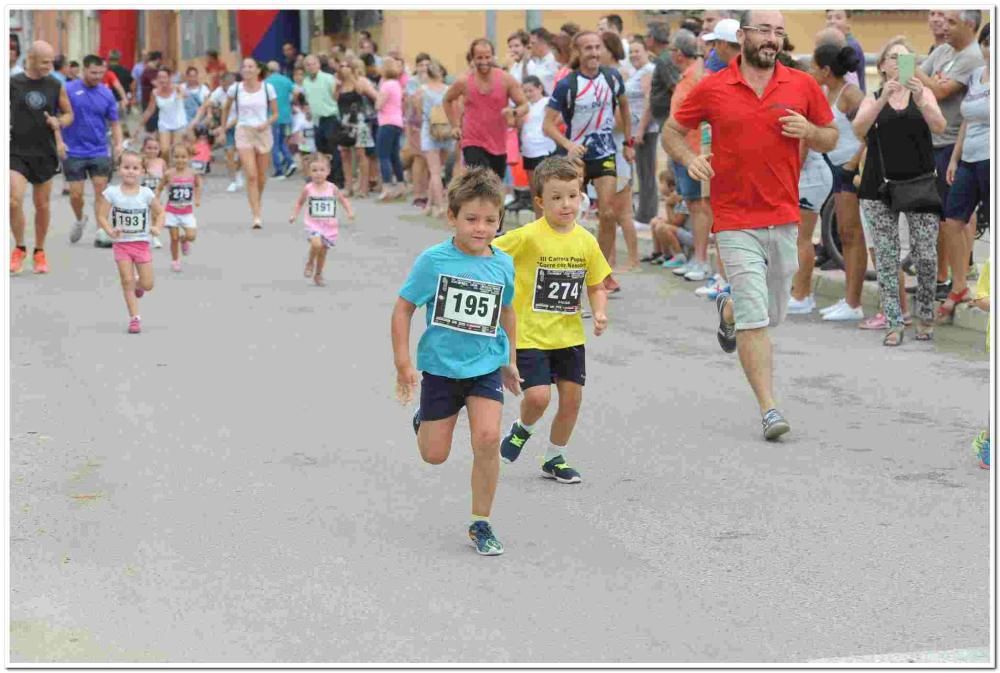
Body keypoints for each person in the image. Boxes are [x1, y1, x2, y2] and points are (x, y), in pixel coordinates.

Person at [662, 10, 838, 440]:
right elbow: (671, 129)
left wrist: (810, 131)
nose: (771, 38)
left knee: (772, 312)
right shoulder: (714, 87)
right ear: (742, 36)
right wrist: (689, 158)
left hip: (783, 218)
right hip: (734, 219)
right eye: (763, 30)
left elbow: (832, 136)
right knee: (755, 319)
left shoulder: (801, 85)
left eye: (778, 32)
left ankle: (727, 309)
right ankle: (769, 408)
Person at [392, 167, 520, 556]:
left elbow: (507, 311)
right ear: (452, 217)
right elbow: (403, 309)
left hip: (484, 366)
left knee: (486, 438)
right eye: (471, 219)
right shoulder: (433, 261)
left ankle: (481, 521)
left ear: (500, 220)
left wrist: (511, 359)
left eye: (489, 221)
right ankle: (424, 420)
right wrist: (403, 364)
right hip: (442, 370)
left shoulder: (502, 264)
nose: (480, 228)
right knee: (434, 454)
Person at [494, 156, 611, 483]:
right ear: (540, 201)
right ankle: (522, 429)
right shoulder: (527, 236)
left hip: (569, 336)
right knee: (538, 397)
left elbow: (596, 284)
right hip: (530, 334)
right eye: (556, 198)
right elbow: (488, 250)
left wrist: (600, 310)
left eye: (573, 196)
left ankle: (554, 456)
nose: (566, 204)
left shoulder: (586, 240)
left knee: (572, 400)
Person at [853, 37, 947, 346]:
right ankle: (894, 323)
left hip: (919, 184)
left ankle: (925, 317)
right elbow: (859, 128)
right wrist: (883, 99)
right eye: (892, 58)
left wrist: (921, 99)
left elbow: (939, 125)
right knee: (887, 257)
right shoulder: (874, 97)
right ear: (881, 66)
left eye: (905, 59)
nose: (898, 63)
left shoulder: (924, 94)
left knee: (925, 256)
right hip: (878, 186)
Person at [544, 31, 633, 293]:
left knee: (608, 213)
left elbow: (625, 108)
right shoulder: (567, 85)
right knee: (571, 215)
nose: (594, 53)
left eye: (597, 47)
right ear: (578, 53)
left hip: (604, 152)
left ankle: (601, 274)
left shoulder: (612, 77)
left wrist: (628, 143)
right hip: (577, 157)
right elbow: (547, 124)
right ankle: (563, 268)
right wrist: (569, 145)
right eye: (588, 49)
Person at [917, 10, 985, 322]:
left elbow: (939, 90)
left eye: (952, 21)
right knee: (951, 217)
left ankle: (967, 280)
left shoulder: (972, 58)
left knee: (961, 217)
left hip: (971, 149)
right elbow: (914, 75)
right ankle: (958, 285)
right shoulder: (948, 53)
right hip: (957, 150)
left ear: (971, 25)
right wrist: (923, 77)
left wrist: (924, 79)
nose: (943, 26)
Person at [799, 44, 865, 320]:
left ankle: (853, 303)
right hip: (836, 169)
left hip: (852, 170)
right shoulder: (827, 92)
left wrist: (855, 165)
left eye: (815, 67)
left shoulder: (850, 94)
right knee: (845, 234)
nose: (812, 71)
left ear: (826, 70)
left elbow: (870, 130)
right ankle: (848, 300)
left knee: (853, 235)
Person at [10, 40, 73, 275]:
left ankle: (39, 251)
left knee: (42, 205)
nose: (50, 65)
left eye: (51, 61)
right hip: (16, 150)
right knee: (13, 200)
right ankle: (19, 247)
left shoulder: (55, 85)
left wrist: (59, 121)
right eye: (45, 61)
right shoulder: (13, 83)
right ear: (32, 59)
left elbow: (68, 114)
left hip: (44, 152)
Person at [660, 29, 713, 284]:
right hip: (683, 151)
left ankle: (702, 260)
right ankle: (697, 258)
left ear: (679, 54)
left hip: (694, 150)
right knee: (692, 204)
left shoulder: (697, 77)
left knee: (701, 205)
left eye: (672, 50)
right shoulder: (688, 76)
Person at [944, 22, 990, 312]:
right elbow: (967, 120)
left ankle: (987, 289)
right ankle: (959, 285)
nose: (989, 48)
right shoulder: (975, 75)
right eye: (986, 42)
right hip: (969, 159)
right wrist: (954, 158)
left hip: (991, 158)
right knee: (952, 221)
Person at [95, 150, 164, 334]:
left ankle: (139, 285)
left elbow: (161, 212)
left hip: (141, 244)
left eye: (135, 168)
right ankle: (134, 318)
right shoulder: (112, 193)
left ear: (142, 170)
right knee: (126, 281)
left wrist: (157, 227)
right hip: (122, 245)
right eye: (126, 167)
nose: (130, 171)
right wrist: (110, 231)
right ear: (119, 169)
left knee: (148, 284)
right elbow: (101, 215)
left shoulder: (146, 194)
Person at [444, 39, 529, 184]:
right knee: (479, 182)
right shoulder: (464, 81)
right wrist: (455, 126)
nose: (484, 61)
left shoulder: (506, 79)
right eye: (479, 58)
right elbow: (447, 100)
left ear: (493, 57)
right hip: (472, 140)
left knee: (494, 185)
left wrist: (513, 112)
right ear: (472, 59)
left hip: (498, 142)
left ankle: (494, 207)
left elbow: (524, 105)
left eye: (487, 57)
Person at [62, 54, 123, 245]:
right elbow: (59, 116)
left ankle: (101, 231)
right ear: (84, 70)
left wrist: (119, 144)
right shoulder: (68, 90)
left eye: (101, 73)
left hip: (98, 150)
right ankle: (80, 218)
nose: (97, 76)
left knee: (101, 191)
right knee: (76, 195)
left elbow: (114, 122)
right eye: (93, 72)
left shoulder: (106, 93)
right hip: (73, 151)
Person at [219, 58, 278, 229]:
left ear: (258, 70)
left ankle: (256, 201)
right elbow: (226, 107)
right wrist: (223, 129)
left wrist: (266, 123)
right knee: (250, 174)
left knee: (261, 176)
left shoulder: (268, 88)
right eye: (244, 66)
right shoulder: (235, 88)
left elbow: (275, 113)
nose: (247, 69)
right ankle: (256, 215)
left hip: (262, 132)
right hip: (243, 131)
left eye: (251, 66)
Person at [599, 31, 640, 272]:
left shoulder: (618, 76)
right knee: (607, 211)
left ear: (611, 50)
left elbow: (621, 119)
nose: (594, 53)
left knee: (621, 210)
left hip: (616, 148)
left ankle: (633, 260)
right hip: (606, 150)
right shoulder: (600, 77)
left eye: (599, 47)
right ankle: (610, 260)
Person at [288, 153, 355, 286]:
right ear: (309, 172)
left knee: (323, 252)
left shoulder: (332, 188)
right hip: (313, 224)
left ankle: (318, 274)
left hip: (329, 226)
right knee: (316, 244)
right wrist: (294, 215)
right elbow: (299, 203)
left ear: (328, 171)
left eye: (321, 170)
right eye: (314, 170)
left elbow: (343, 200)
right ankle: (310, 262)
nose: (318, 173)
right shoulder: (308, 188)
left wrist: (350, 212)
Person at [415, 60, 455, 218]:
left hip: (429, 129)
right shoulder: (448, 89)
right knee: (440, 170)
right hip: (446, 129)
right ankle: (430, 205)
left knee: (434, 172)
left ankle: (440, 206)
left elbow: (418, 112)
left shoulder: (422, 90)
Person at [627, 37, 660, 225]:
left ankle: (647, 215)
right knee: (642, 171)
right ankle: (644, 213)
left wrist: (640, 130)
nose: (633, 55)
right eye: (630, 52)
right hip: (637, 129)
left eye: (637, 51)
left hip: (646, 129)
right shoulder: (636, 72)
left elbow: (649, 100)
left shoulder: (647, 71)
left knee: (646, 172)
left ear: (646, 52)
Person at [301, 54, 346, 188]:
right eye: (308, 65)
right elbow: (308, 99)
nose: (311, 67)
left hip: (330, 117)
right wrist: (308, 111)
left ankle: (338, 180)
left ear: (319, 65)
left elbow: (335, 96)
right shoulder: (306, 81)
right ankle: (325, 178)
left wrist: (338, 88)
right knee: (321, 151)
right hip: (316, 119)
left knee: (333, 150)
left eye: (313, 63)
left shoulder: (328, 78)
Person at [155, 143, 201, 272]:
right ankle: (175, 261)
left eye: (183, 157)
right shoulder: (169, 173)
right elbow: (160, 187)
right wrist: (157, 198)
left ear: (189, 158)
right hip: (172, 212)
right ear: (172, 158)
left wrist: (197, 199)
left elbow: (197, 186)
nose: (180, 160)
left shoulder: (193, 173)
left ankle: (184, 239)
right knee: (173, 238)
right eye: (176, 157)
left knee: (191, 236)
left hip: (187, 213)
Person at [516, 75, 557, 219]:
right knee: (534, 189)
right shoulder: (526, 107)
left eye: (531, 90)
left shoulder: (546, 103)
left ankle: (550, 218)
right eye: (525, 92)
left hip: (543, 149)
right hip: (528, 150)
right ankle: (539, 219)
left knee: (545, 188)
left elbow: (556, 119)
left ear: (540, 88)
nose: (528, 94)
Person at [336, 62, 378, 197]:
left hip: (360, 121)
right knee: (344, 153)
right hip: (344, 122)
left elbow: (362, 92)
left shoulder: (360, 81)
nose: (344, 69)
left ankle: (363, 188)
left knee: (361, 153)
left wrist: (352, 78)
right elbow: (335, 99)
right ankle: (348, 186)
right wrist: (337, 87)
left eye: (347, 66)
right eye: (341, 66)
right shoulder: (339, 83)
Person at [374, 56, 407, 201]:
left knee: (383, 155)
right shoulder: (397, 84)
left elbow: (378, 105)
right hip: (397, 122)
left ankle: (387, 186)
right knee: (394, 155)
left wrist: (377, 97)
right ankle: (400, 184)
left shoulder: (386, 85)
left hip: (386, 122)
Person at [141, 67, 188, 158]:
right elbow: (150, 110)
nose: (162, 80)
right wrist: (140, 125)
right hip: (164, 124)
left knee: (176, 151)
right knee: (164, 150)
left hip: (179, 123)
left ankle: (174, 170)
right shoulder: (155, 92)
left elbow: (185, 94)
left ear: (169, 78)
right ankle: (165, 169)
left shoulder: (177, 88)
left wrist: (180, 94)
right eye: (159, 77)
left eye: (164, 77)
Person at [265, 60, 297, 179]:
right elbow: (296, 92)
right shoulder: (286, 80)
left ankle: (279, 170)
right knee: (282, 141)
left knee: (274, 144)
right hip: (286, 116)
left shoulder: (267, 82)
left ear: (268, 71)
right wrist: (290, 103)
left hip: (273, 116)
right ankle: (290, 162)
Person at [824, 10, 867, 93]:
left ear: (848, 22)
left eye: (838, 18)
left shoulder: (850, 47)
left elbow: (848, 82)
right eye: (829, 18)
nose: (832, 21)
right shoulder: (830, 44)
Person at [526, 29, 559, 96]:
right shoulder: (535, 62)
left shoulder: (555, 62)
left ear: (543, 43)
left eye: (533, 43)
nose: (529, 46)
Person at [138, 52, 162, 134]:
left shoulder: (153, 71)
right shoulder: (149, 71)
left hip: (155, 101)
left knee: (157, 125)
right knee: (152, 127)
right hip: (149, 101)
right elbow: (157, 84)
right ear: (158, 60)